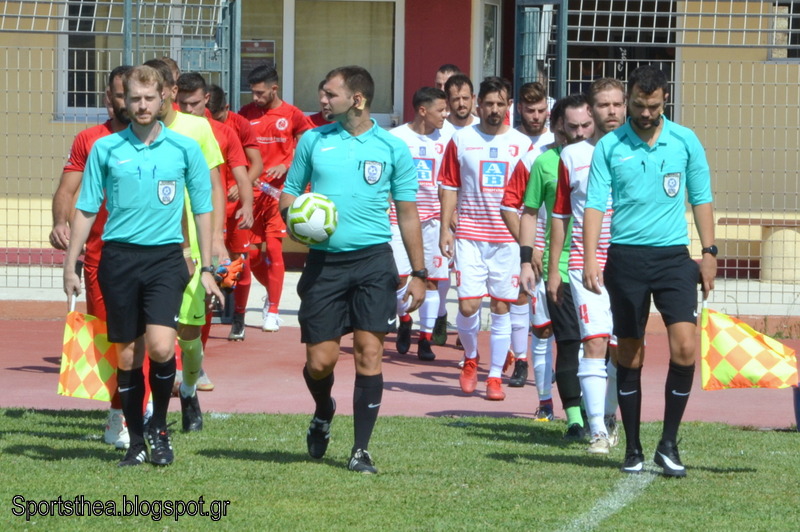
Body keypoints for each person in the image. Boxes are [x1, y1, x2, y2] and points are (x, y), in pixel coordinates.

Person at [62, 65, 223, 467]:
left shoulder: (185, 148)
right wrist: (69, 264)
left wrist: (207, 267)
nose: (142, 105)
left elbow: (202, 208)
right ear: (125, 100)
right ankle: (136, 441)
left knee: (162, 346)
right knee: (128, 358)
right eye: (135, 98)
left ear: (164, 97)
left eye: (150, 98)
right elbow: (86, 208)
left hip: (166, 259)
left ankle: (160, 430)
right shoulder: (106, 149)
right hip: (118, 260)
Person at [280, 65, 425, 474]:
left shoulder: (392, 148)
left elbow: (408, 213)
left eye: (330, 94)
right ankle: (323, 410)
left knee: (369, 353)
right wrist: (298, 220)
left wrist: (419, 272)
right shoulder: (313, 140)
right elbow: (289, 196)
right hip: (324, 264)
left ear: (356, 100)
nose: (322, 100)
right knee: (320, 362)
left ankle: (361, 450)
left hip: (373, 262)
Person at [583, 65, 716, 477]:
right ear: (630, 100)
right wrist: (590, 257)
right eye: (638, 105)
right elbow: (594, 204)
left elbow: (702, 197)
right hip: (626, 259)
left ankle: (669, 444)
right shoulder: (610, 146)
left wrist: (709, 252)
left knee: (686, 347)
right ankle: (633, 448)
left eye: (653, 106)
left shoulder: (685, 141)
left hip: (674, 258)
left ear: (665, 100)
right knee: (630, 351)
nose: (644, 113)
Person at [50, 65, 134, 449]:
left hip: (153, 256)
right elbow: (68, 190)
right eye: (121, 95)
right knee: (114, 337)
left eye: (135, 95)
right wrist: (61, 223)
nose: (129, 102)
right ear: (108, 99)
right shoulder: (91, 140)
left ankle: (146, 406)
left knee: (153, 339)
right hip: (102, 256)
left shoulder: (163, 140)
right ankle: (119, 414)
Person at [439, 77, 533, 401]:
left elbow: (531, 198)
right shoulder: (461, 139)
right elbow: (449, 185)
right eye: (489, 104)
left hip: (507, 240)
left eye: (500, 104)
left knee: (501, 306)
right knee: (467, 306)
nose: (494, 110)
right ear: (478, 104)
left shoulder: (523, 144)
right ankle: (470, 358)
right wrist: (445, 228)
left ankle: (494, 377)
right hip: (469, 236)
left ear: (509, 106)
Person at [547, 78, 626, 455]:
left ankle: (609, 415)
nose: (611, 111)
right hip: (584, 264)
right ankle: (596, 430)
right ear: (591, 112)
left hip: (628, 264)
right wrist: (554, 269)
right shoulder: (572, 156)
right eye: (603, 105)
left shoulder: (637, 150)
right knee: (593, 341)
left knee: (622, 350)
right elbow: (560, 215)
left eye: (617, 104)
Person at [144, 58, 225, 426]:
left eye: (156, 92)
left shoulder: (197, 128)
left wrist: (215, 239)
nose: (148, 101)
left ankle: (189, 390)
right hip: (148, 246)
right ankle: (147, 408)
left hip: (192, 245)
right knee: (150, 334)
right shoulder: (134, 132)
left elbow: (215, 186)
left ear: (170, 92)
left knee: (189, 335)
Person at [519, 94, 594, 437]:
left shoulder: (604, 157)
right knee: (568, 342)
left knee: (599, 343)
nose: (578, 133)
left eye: (585, 126)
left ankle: (599, 412)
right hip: (560, 267)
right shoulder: (545, 163)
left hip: (601, 265)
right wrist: (527, 260)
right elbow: (529, 212)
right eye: (571, 126)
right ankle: (575, 419)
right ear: (559, 125)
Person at [177, 74, 255, 346]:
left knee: (220, 280)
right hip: (181, 222)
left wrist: (247, 204)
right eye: (183, 103)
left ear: (206, 99)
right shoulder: (167, 128)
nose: (188, 109)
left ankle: (236, 318)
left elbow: (241, 173)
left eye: (194, 103)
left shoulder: (223, 132)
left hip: (219, 217)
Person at [240, 64, 313, 333]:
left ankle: (273, 310)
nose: (255, 98)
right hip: (252, 193)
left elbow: (306, 148)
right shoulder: (246, 114)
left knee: (273, 249)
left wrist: (287, 164)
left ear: (274, 89)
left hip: (279, 194)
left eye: (260, 93)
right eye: (252, 92)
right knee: (250, 254)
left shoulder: (292, 114)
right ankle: (271, 292)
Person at [389, 87, 451, 361]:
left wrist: (449, 220)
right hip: (400, 218)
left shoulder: (449, 138)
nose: (445, 114)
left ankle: (425, 340)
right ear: (423, 111)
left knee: (432, 281)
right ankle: (404, 320)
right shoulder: (396, 138)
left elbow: (449, 184)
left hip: (434, 219)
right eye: (441, 110)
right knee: (399, 278)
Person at [207, 83, 264, 339]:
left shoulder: (238, 125)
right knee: (212, 259)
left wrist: (241, 188)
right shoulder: (198, 127)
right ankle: (217, 303)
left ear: (226, 109)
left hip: (236, 204)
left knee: (240, 260)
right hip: (211, 206)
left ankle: (238, 315)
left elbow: (257, 164)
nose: (213, 121)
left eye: (217, 116)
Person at [516, 81, 554, 149]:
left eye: (541, 111)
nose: (536, 117)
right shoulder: (508, 140)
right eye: (530, 111)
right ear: (519, 108)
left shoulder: (555, 141)